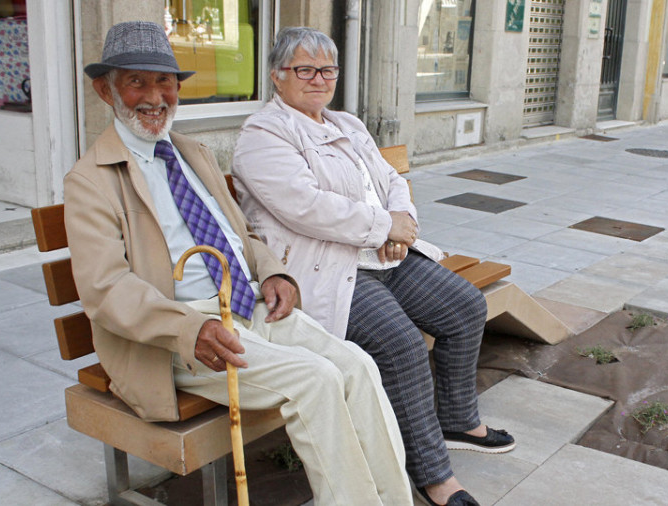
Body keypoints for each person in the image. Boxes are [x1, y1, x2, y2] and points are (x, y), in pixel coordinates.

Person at [63, 21, 412, 506]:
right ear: (106, 90)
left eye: (164, 81)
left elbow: (241, 232)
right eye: (136, 81)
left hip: (246, 304)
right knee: (316, 381)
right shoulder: (91, 179)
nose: (154, 96)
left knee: (358, 365)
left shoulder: (191, 152)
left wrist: (274, 272)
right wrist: (189, 330)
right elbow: (105, 289)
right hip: (179, 335)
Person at [232, 27, 515, 506]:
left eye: (328, 70)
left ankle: (458, 419)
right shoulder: (262, 137)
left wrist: (399, 223)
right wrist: (382, 227)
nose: (319, 79)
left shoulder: (347, 124)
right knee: (400, 344)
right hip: (327, 270)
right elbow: (305, 206)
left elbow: (391, 179)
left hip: (385, 255)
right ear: (278, 77)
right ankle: (433, 475)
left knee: (464, 306)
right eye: (305, 69)